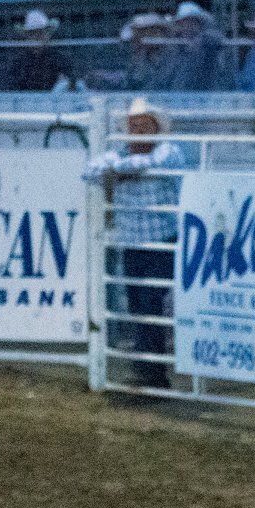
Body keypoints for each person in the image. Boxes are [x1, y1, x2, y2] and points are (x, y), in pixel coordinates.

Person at [84, 97, 185, 387]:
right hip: (133, 244)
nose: (137, 132)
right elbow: (90, 171)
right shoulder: (120, 155)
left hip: (161, 242)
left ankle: (151, 370)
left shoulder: (168, 150)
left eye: (143, 126)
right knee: (140, 305)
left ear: (155, 128)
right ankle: (150, 370)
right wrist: (120, 171)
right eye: (133, 126)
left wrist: (117, 172)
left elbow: (153, 162)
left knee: (150, 301)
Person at [164, 1, 226, 92]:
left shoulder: (210, 41)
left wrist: (201, 40)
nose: (188, 27)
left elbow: (217, 38)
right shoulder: (175, 45)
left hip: (207, 95)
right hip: (179, 96)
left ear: (200, 23)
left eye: (192, 22)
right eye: (183, 23)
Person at [3, 9, 70, 92]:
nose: (38, 36)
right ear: (27, 36)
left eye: (42, 32)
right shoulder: (19, 61)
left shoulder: (59, 58)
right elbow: (13, 87)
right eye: (33, 33)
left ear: (48, 34)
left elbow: (70, 84)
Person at [119, 13, 169, 92]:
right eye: (137, 32)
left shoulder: (171, 55)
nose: (137, 37)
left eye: (141, 31)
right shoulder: (138, 57)